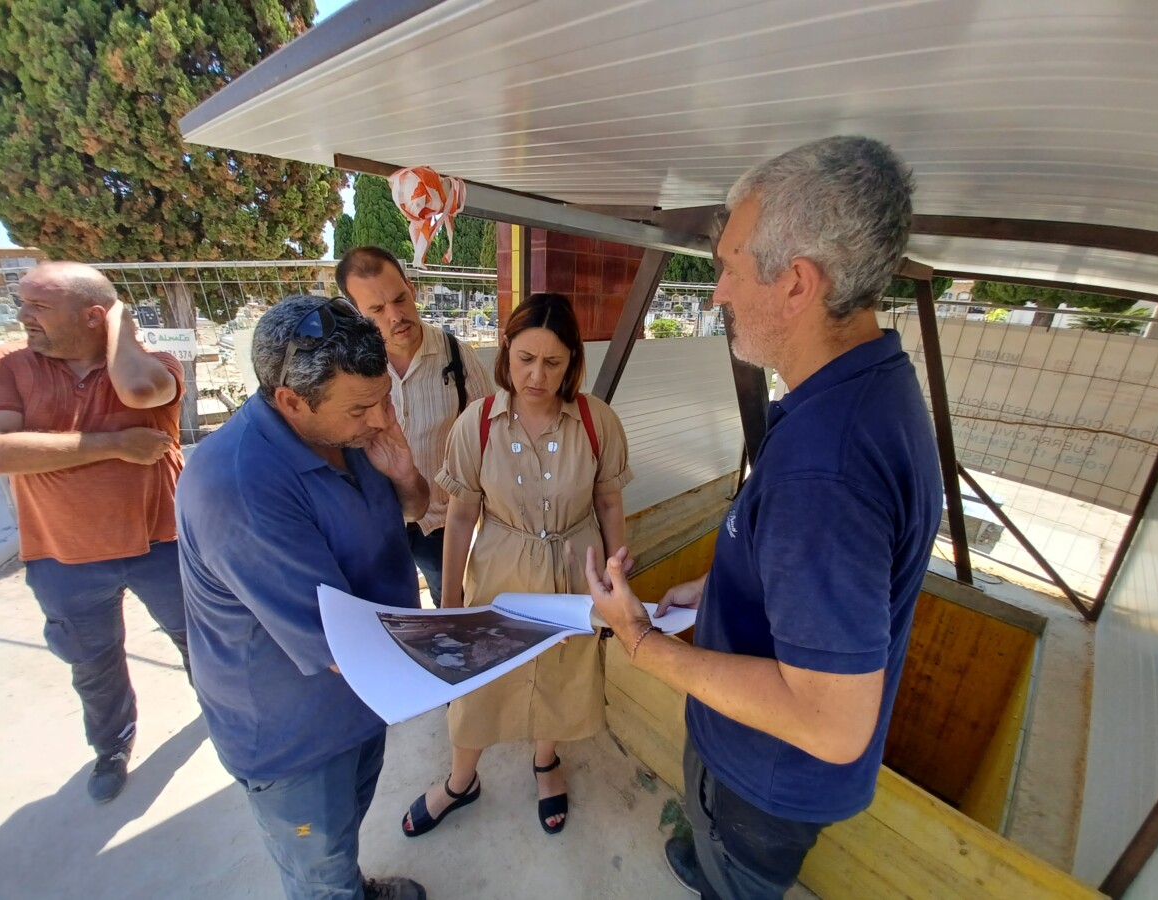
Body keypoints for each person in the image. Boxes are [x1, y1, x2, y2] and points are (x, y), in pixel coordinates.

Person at [584, 136, 943, 899]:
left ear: (797, 285)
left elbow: (832, 722)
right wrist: (723, 588)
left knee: (735, 874)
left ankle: (718, 865)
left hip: (764, 784)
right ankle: (706, 851)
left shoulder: (827, 471)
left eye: (730, 268)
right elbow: (817, 568)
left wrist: (641, 641)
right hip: (755, 765)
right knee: (715, 846)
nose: (716, 292)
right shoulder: (866, 386)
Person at [176, 296, 429, 900]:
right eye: (362, 407)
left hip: (359, 698)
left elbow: (414, 512)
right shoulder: (237, 486)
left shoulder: (348, 434)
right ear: (290, 399)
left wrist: (403, 475)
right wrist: (476, 649)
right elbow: (345, 644)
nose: (381, 419)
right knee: (320, 871)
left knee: (345, 831)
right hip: (295, 733)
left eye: (384, 397)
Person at [402, 292, 633, 838]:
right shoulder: (476, 424)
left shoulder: (597, 422)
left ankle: (545, 760)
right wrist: (453, 600)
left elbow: (608, 503)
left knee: (559, 673)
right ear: (506, 353)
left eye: (553, 363)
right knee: (480, 680)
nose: (537, 375)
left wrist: (616, 580)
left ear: (572, 360)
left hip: (575, 570)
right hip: (500, 573)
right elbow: (460, 518)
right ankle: (461, 780)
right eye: (525, 359)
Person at [0, 261, 189, 804]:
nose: (23, 316)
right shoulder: (7, 365)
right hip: (63, 554)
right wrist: (113, 444)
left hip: (161, 542)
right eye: (23, 304)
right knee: (92, 661)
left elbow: (139, 389)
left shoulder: (152, 364)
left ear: (93, 316)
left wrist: (119, 325)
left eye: (38, 306)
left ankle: (228, 713)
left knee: (199, 640)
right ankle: (112, 746)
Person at [336, 247, 490, 606]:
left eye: (400, 298)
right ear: (356, 313)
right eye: (376, 310)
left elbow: (489, 436)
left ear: (411, 287)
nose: (395, 315)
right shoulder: (347, 371)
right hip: (378, 523)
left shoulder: (457, 356)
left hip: (442, 522)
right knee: (388, 609)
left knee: (452, 600)